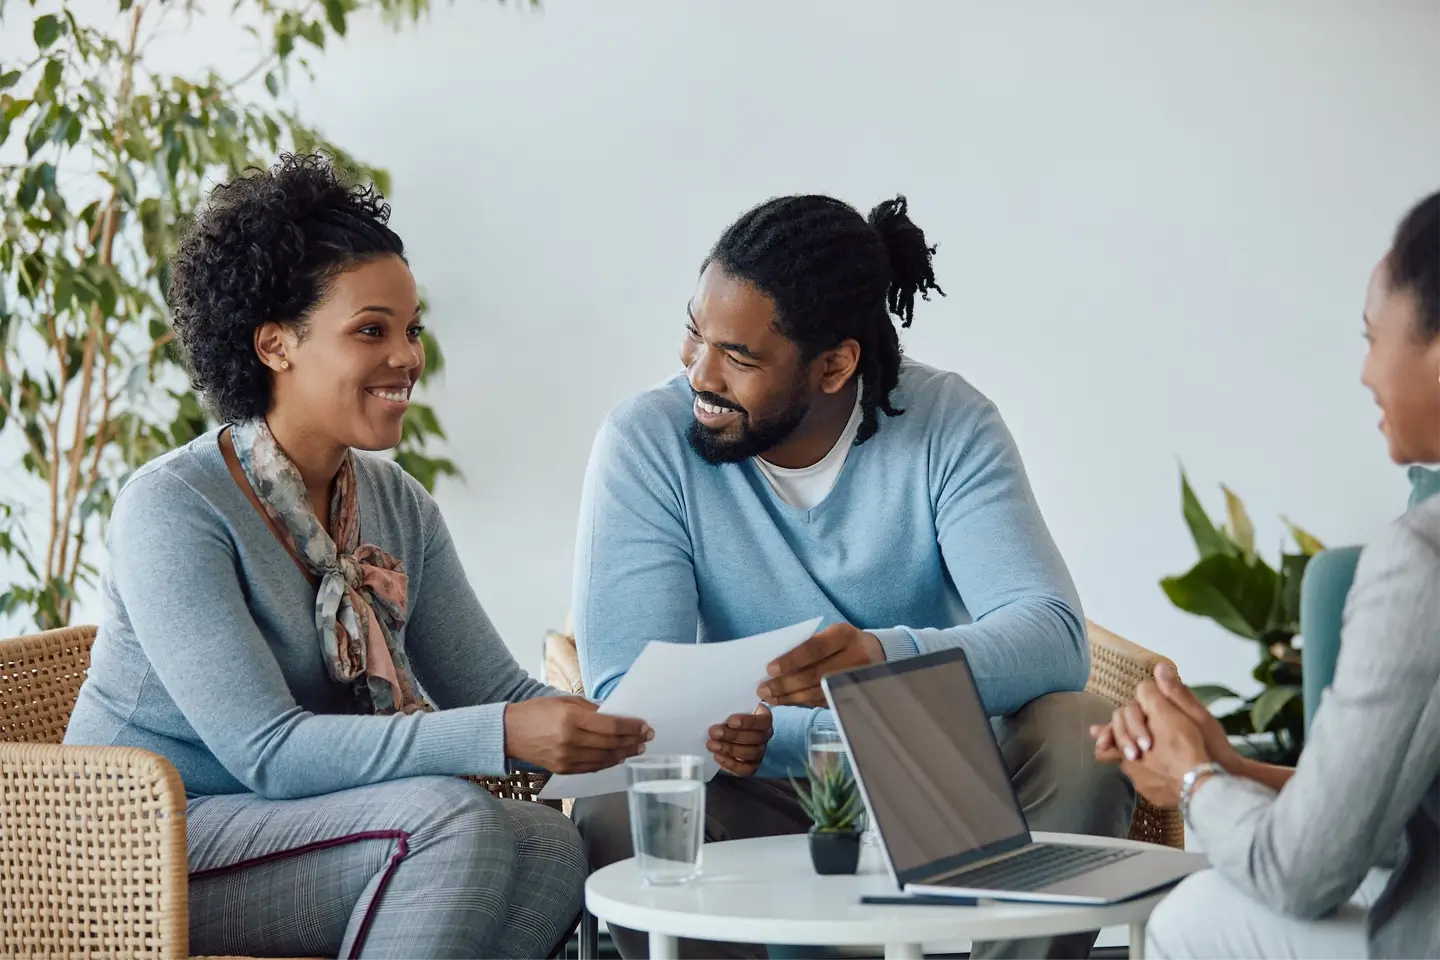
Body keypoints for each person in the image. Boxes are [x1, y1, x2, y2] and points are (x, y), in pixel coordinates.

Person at [63, 153, 655, 960]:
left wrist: (654, 727)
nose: (408, 357)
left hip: (295, 829)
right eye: (370, 330)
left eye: (411, 330)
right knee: (447, 821)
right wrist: (506, 732)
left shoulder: (395, 501)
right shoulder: (174, 507)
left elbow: (497, 693)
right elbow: (267, 751)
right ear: (275, 345)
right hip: (138, 848)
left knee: (548, 847)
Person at [571, 193, 1135, 960]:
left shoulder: (949, 423)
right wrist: (779, 736)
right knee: (617, 802)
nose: (699, 375)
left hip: (928, 772)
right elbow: (628, 704)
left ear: (836, 364)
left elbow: (1053, 636)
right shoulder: (647, 441)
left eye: (738, 357)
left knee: (1079, 731)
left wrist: (880, 662)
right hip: (750, 781)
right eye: (695, 334)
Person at [1091, 188, 1440, 960]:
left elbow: (1301, 874)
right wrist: (1229, 768)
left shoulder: (1423, 562)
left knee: (1193, 916)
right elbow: (1379, 816)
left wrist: (1190, 783)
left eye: (1371, 336)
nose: (1363, 372)